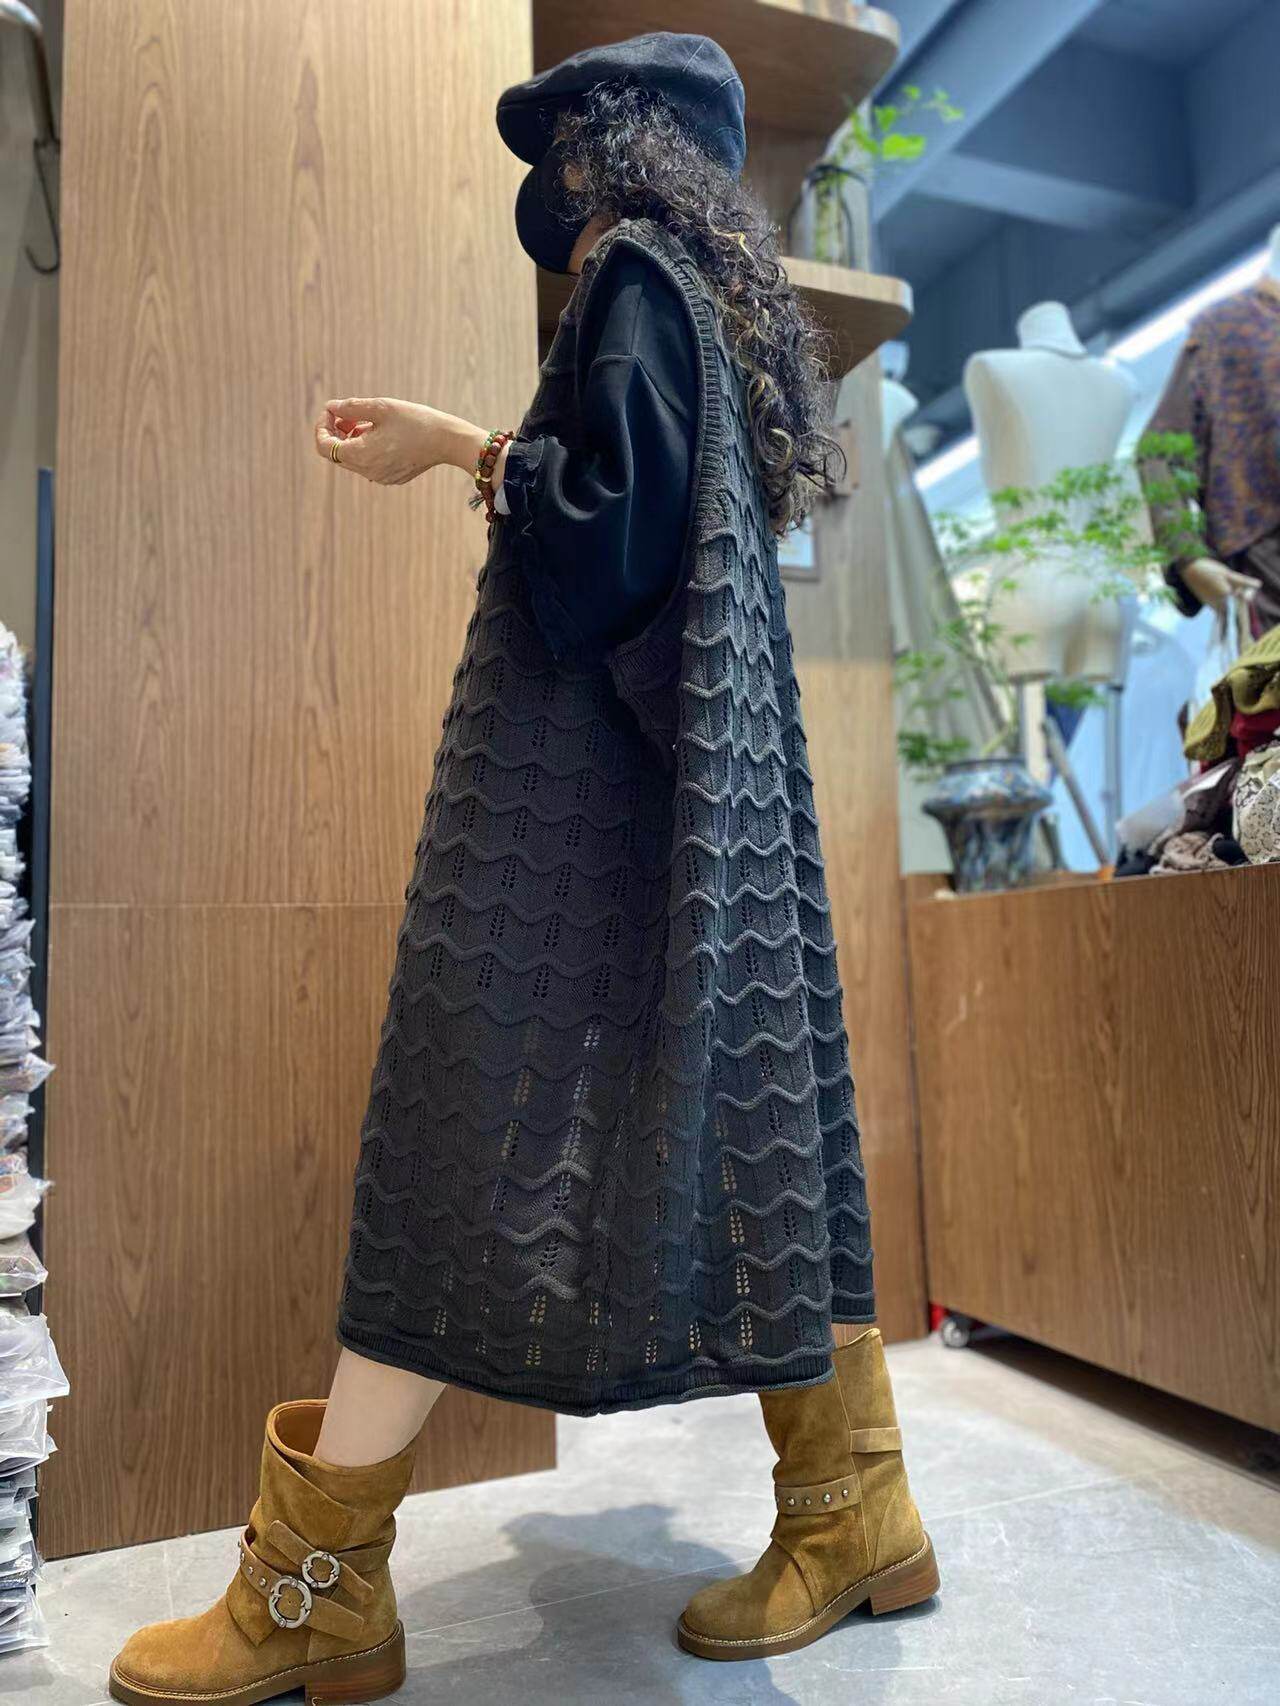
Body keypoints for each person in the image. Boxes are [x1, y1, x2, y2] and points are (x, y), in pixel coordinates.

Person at [107, 33, 936, 1706]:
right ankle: (858, 1509)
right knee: (760, 1121)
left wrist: (462, 452)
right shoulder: (703, 300)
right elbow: (661, 537)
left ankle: (314, 1586)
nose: (548, 190)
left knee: (452, 1132)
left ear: (609, 152)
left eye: (561, 151)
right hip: (701, 814)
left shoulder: (630, 278)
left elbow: (604, 540)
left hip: (585, 819)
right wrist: (468, 439)